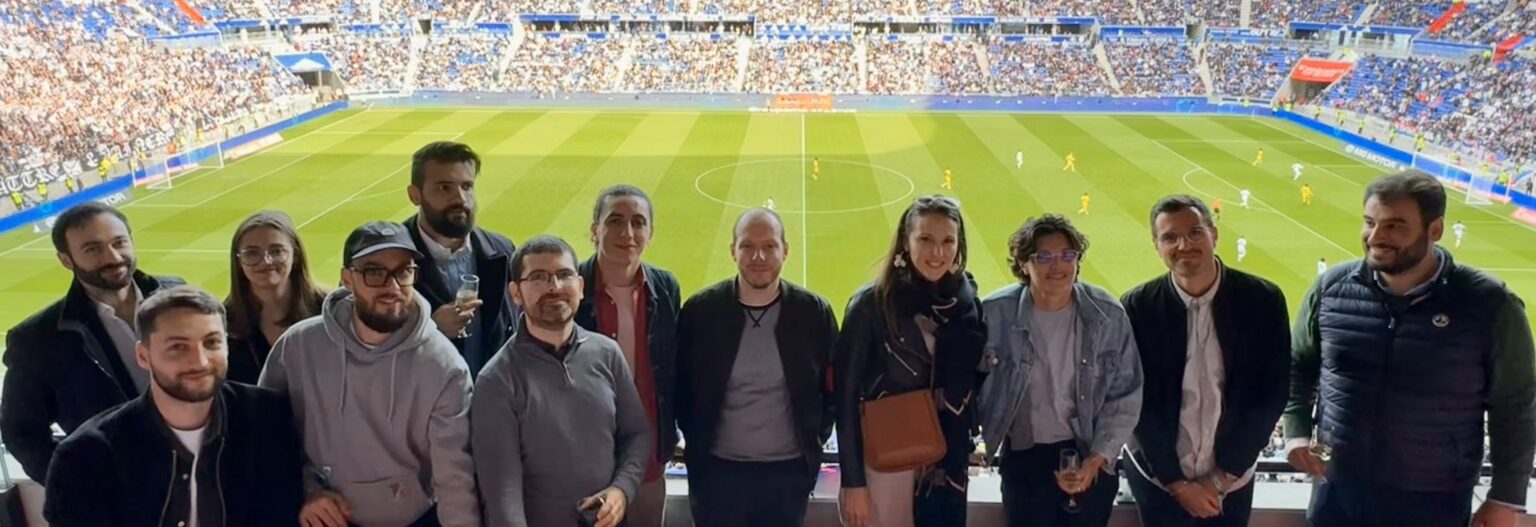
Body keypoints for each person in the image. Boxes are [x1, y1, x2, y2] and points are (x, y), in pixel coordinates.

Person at [1285, 171, 1535, 527]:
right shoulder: (1330, 289)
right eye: (1370, 222)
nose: (1375, 237)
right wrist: (1296, 431)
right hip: (1338, 494)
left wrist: (1506, 498)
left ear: (1435, 231)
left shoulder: (1490, 304)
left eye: (1394, 226)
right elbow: (1299, 366)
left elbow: (1515, 407)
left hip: (1434, 502)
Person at [260, 221, 479, 527]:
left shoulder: (444, 365)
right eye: (375, 272)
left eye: (403, 271)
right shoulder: (297, 347)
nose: (392, 287)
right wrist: (305, 490)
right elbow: (265, 440)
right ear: (347, 279)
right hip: (324, 518)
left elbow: (455, 477)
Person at [44, 286, 303, 526]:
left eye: (212, 343)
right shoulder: (86, 456)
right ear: (143, 356)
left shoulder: (270, 419)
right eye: (178, 347)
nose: (200, 361)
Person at [1120, 196, 1290, 527]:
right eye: (1170, 237)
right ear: (1157, 246)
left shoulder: (1263, 300)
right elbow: (1135, 400)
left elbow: (1271, 395)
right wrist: (1176, 483)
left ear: (1214, 235)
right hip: (1158, 481)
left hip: (1232, 480)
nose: (1184, 245)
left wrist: (1219, 479)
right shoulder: (1138, 306)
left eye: (1195, 232)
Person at [977, 214, 1143, 527]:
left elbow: (1126, 394)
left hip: (1088, 452)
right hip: (1024, 458)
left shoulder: (1107, 314)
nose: (1058, 266)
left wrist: (1095, 461)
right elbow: (970, 385)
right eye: (1045, 256)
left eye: (1068, 255)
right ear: (1024, 264)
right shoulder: (994, 313)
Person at [472, 236, 651, 527]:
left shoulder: (607, 353)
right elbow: (503, 492)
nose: (554, 287)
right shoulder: (497, 380)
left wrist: (622, 490)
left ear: (580, 286)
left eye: (564, 275)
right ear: (516, 293)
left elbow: (637, 434)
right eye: (539, 278)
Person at [1, 202, 185, 483]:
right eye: (93, 249)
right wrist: (77, 485)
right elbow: (22, 432)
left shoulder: (177, 293)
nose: (112, 257)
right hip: (125, 494)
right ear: (66, 260)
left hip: (207, 470)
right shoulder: (38, 339)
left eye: (119, 242)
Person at [676, 208, 838, 526]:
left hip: (788, 475)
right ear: (732, 250)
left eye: (770, 246)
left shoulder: (813, 313)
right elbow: (681, 388)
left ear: (785, 251)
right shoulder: (701, 312)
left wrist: (812, 443)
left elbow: (831, 390)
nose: (758, 256)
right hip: (716, 476)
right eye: (748, 246)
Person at [836, 195, 987, 527]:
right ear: (906, 241)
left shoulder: (966, 304)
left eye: (948, 240)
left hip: (945, 461)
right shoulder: (870, 305)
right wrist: (853, 482)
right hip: (889, 462)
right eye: (926, 239)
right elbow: (844, 398)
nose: (938, 252)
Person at [575, 185, 682, 527]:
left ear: (650, 233)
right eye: (616, 221)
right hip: (584, 458)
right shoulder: (571, 288)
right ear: (595, 230)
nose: (628, 233)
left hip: (649, 459)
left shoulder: (666, 287)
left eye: (638, 222)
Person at [403, 141, 517, 378]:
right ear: (415, 195)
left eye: (467, 186)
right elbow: (361, 347)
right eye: (444, 188)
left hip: (492, 404)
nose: (461, 199)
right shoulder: (388, 259)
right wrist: (428, 330)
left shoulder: (502, 250)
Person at [224, 211, 326, 384]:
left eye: (277, 251)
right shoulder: (221, 321)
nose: (266, 261)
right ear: (238, 261)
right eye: (252, 253)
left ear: (295, 255)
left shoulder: (330, 310)